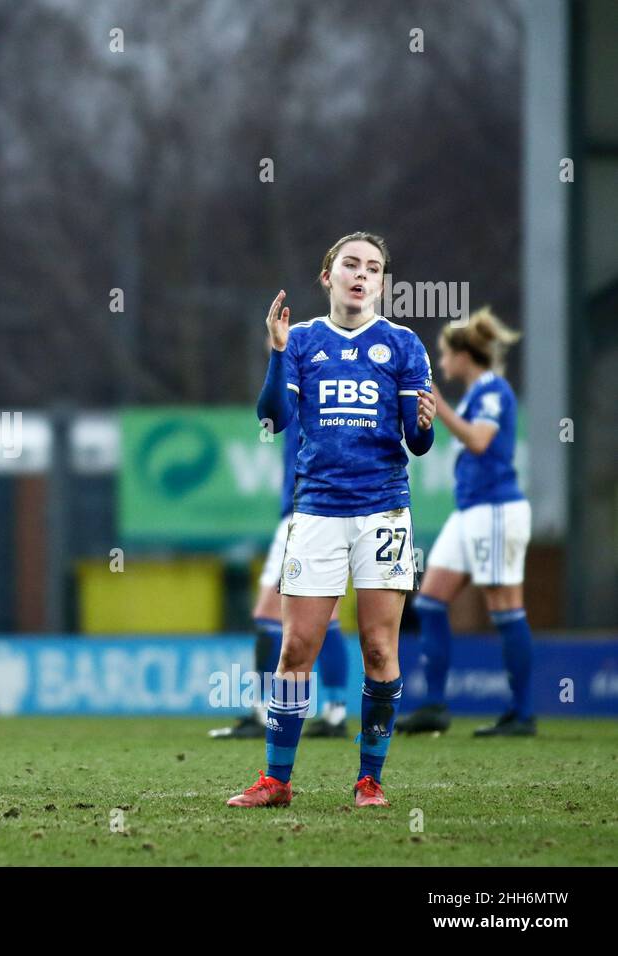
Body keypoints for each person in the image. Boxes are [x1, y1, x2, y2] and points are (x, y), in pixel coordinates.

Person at [227, 232, 435, 809]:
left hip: (384, 510)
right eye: (351, 265)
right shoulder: (302, 341)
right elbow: (273, 418)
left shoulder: (403, 344)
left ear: (382, 282)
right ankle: (276, 780)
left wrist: (422, 422)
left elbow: (419, 443)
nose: (361, 275)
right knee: (296, 648)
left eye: (373, 267)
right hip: (316, 510)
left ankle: (370, 779)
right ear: (328, 276)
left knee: (377, 647)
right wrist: (274, 351)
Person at [398, 308, 535, 737]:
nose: (441, 363)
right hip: (470, 511)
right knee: (430, 601)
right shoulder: (478, 393)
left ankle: (522, 713)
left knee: (505, 608)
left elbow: (478, 440)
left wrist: (439, 409)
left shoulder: (493, 391)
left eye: (445, 355)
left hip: (496, 509)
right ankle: (436, 705)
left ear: (463, 355)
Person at [209, 411, 350, 740]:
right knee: (328, 617)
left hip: (305, 514)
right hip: (327, 513)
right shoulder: (331, 388)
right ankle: (335, 713)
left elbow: (270, 412)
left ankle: (263, 712)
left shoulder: (305, 382)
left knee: (267, 616)